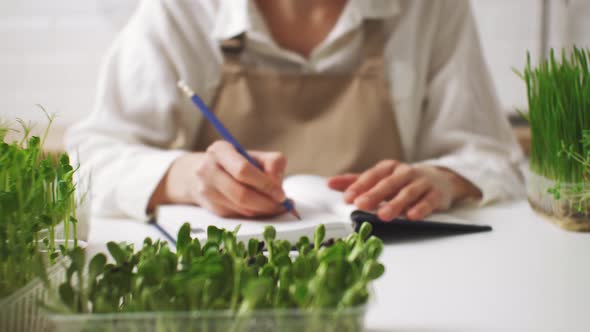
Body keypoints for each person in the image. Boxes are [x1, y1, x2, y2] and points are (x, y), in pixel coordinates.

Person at [67, 0, 524, 223]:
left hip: (402, 273)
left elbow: (492, 158)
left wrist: (445, 178)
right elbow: (92, 160)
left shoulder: (430, 7)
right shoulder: (184, 9)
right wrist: (188, 177)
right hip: (225, 280)